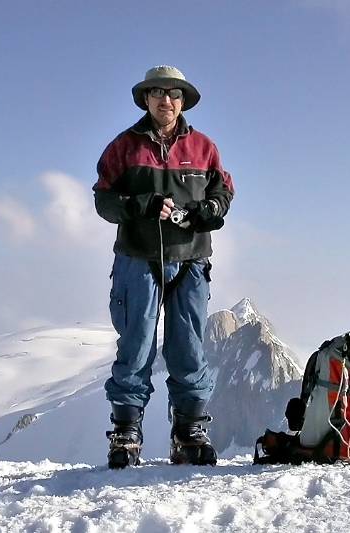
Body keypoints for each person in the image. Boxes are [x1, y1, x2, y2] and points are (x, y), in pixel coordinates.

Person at [93, 65, 235, 468]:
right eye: (157, 93)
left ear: (183, 100)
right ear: (145, 99)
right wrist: (142, 206)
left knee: (188, 347)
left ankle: (188, 434)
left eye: (173, 94)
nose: (165, 100)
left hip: (191, 259)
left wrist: (209, 209)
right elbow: (104, 200)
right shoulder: (124, 146)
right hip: (138, 258)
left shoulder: (204, 147)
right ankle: (125, 435)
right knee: (136, 343)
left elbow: (223, 188)